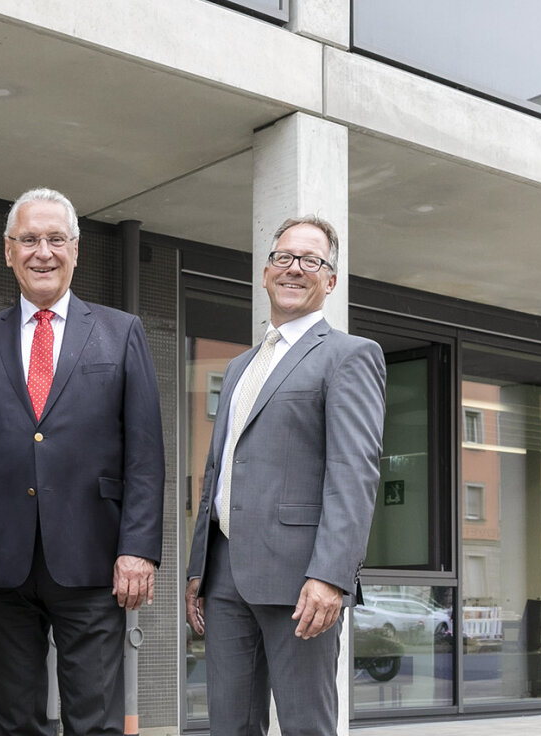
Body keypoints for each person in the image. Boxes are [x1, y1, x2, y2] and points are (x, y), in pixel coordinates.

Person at [0, 188, 163, 736]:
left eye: (55, 239)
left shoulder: (121, 332)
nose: (43, 252)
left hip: (93, 560)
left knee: (95, 721)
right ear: (7, 251)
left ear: (76, 249)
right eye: (29, 240)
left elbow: (144, 452)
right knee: (14, 720)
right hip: (0, 563)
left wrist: (137, 548)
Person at [183, 216, 385, 736]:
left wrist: (331, 575)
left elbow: (354, 471)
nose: (295, 269)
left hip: (302, 582)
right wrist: (198, 569)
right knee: (228, 726)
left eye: (311, 260)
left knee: (305, 727)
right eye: (284, 257)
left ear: (331, 280)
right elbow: (219, 470)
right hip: (225, 577)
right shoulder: (239, 367)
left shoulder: (348, 356)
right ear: (267, 270)